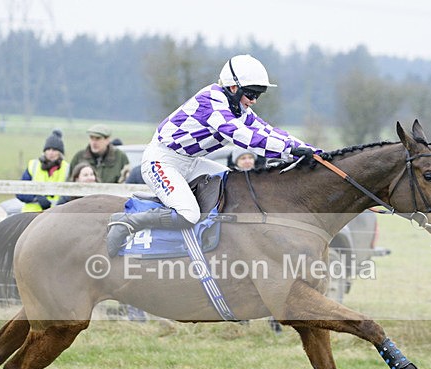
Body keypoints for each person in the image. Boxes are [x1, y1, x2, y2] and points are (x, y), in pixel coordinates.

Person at [106, 54, 319, 256]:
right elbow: (244, 137)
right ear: (233, 87)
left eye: (258, 95)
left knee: (236, 185)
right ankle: (129, 222)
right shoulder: (212, 102)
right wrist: (288, 151)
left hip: (191, 162)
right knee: (188, 214)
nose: (254, 101)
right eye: (252, 93)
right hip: (161, 160)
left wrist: (312, 152)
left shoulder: (238, 108)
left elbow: (268, 131)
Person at [16, 130, 70, 212]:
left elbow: (71, 193)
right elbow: (20, 191)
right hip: (31, 215)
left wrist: (61, 202)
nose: (51, 153)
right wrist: (36, 198)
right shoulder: (33, 165)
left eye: (54, 150)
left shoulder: (67, 169)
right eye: (48, 149)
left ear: (60, 153)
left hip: (57, 214)